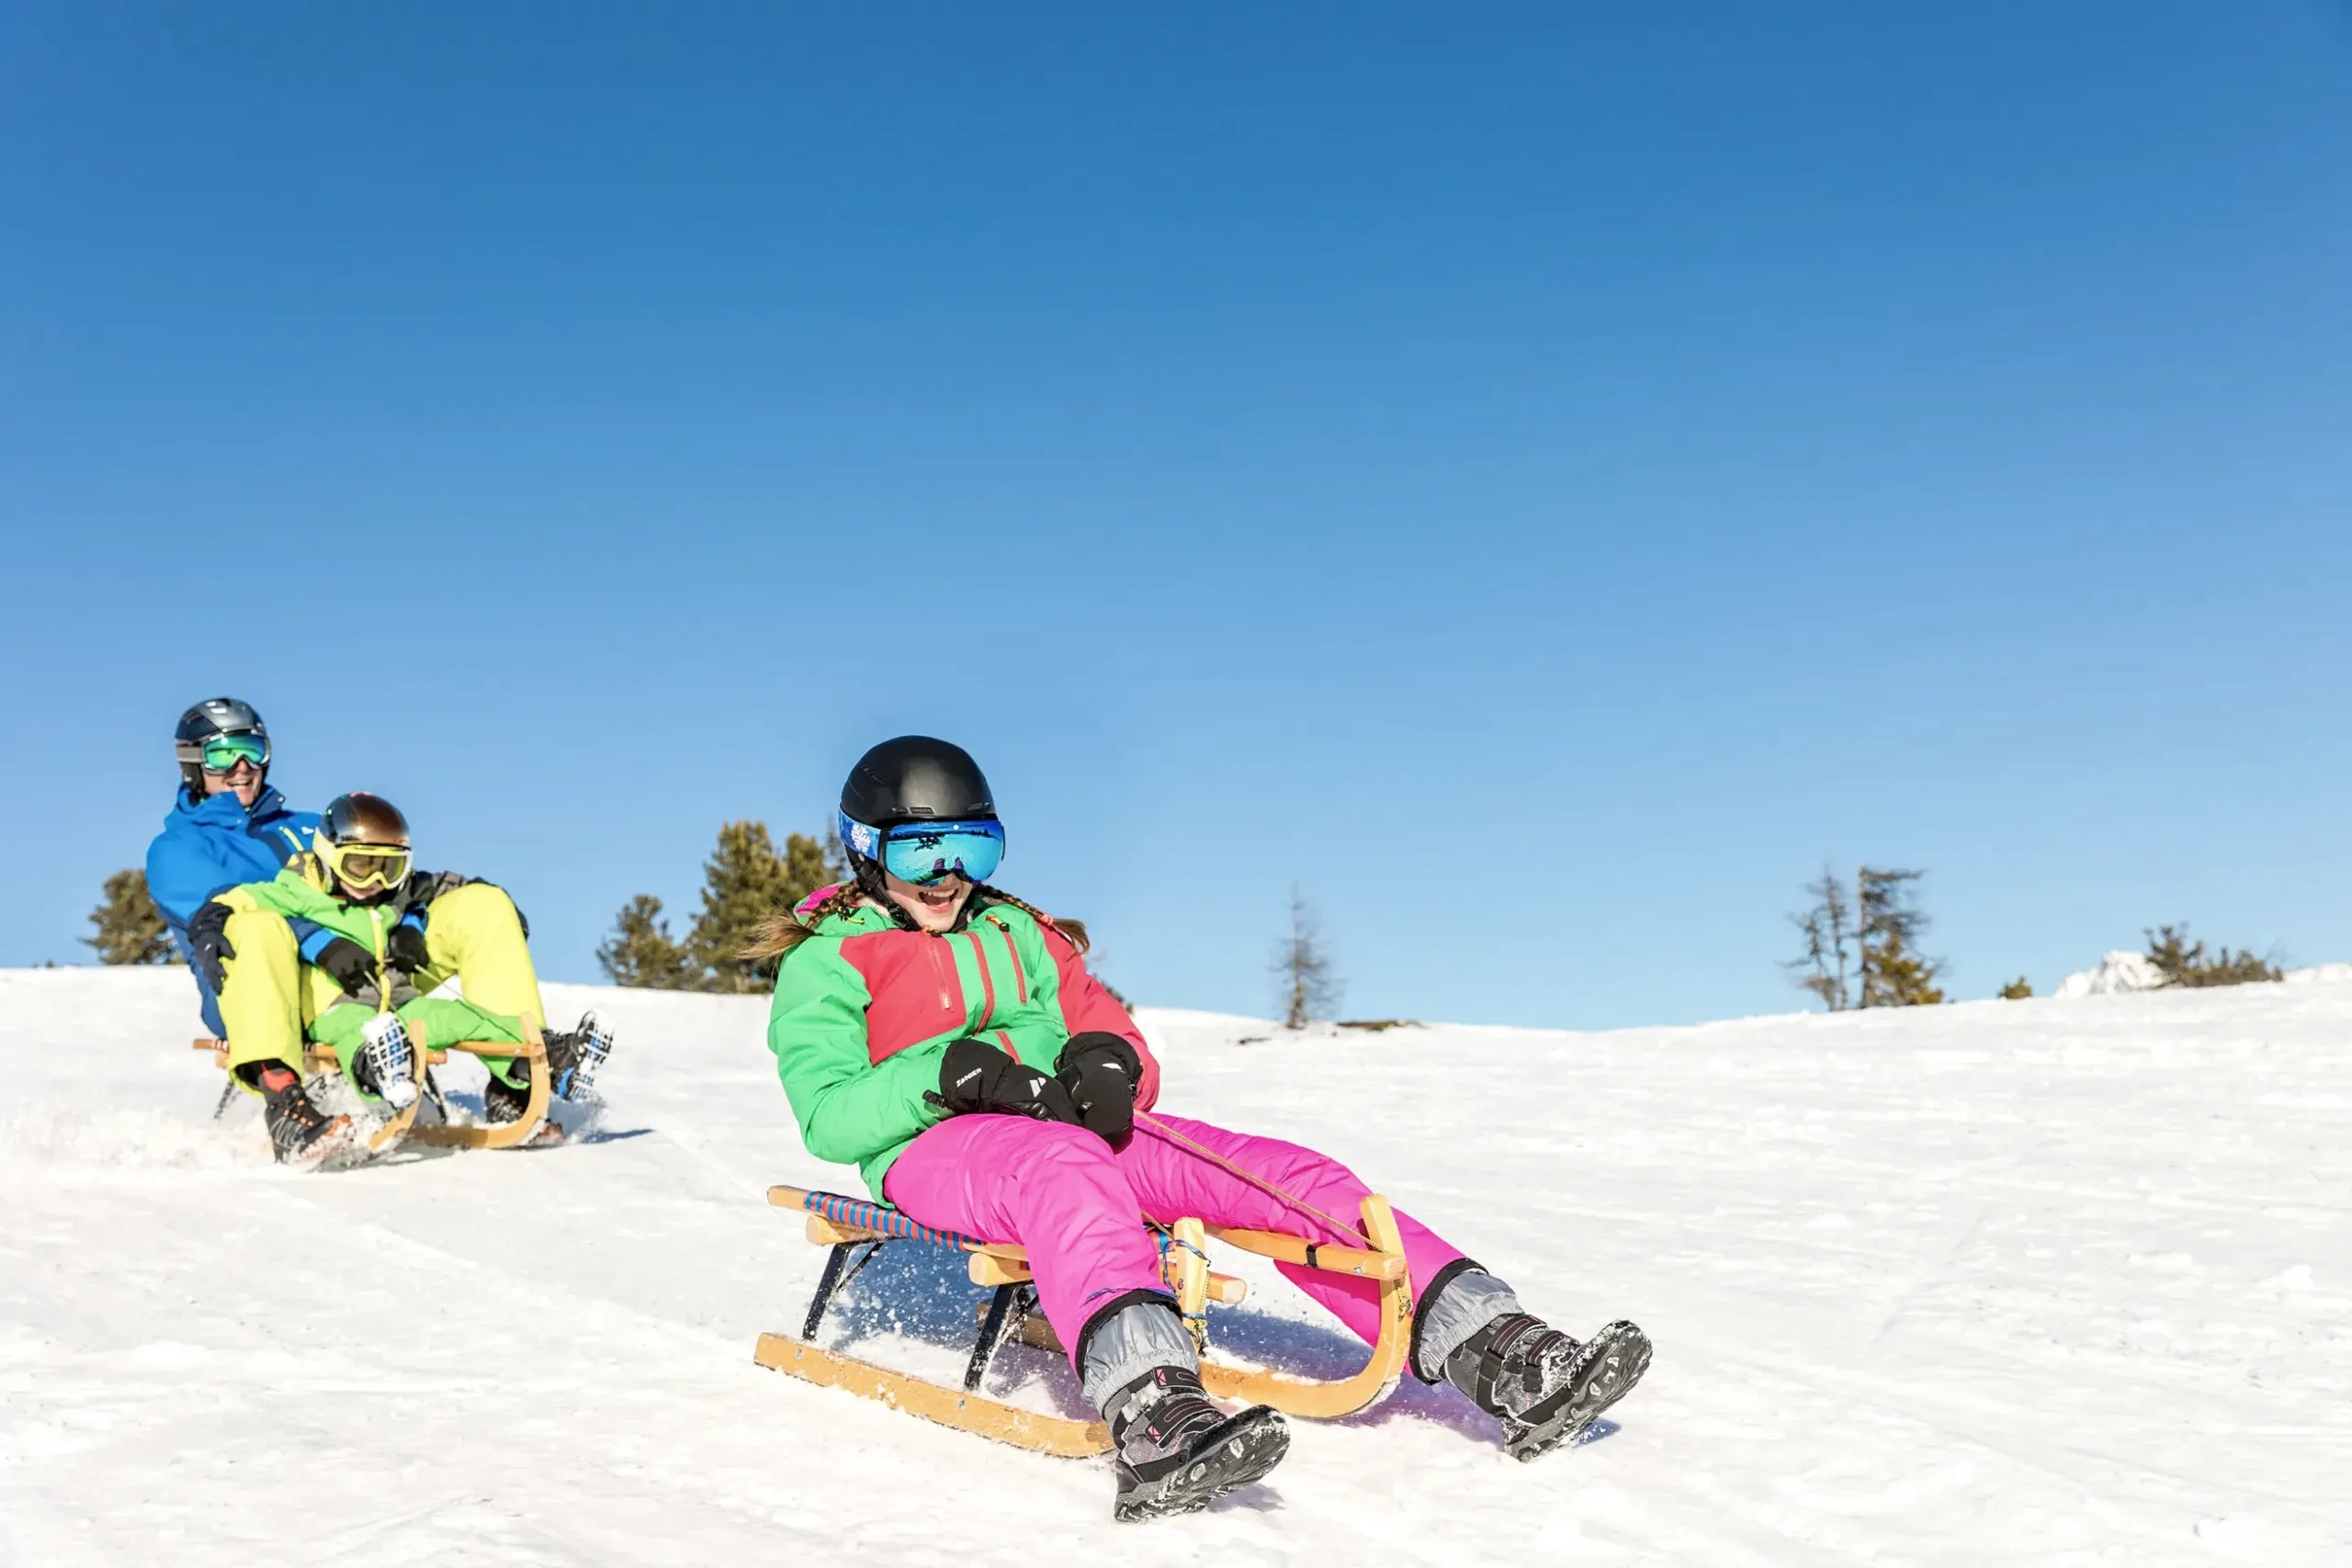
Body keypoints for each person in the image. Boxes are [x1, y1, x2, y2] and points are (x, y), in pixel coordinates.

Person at [758, 737, 1651, 1521]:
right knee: (1063, 1167)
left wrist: (1111, 1063)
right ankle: (1153, 1409)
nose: (949, 873)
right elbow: (828, 1115)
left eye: (972, 845)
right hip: (933, 1150)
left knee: (1263, 1170)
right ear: (866, 849)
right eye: (921, 850)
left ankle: (1494, 1345)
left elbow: (1108, 1027)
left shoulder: (1022, 934)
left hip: (1063, 1124)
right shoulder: (828, 959)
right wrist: (944, 1075)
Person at [188, 791, 614, 1168]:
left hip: (399, 1003)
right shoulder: (293, 891)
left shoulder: (395, 893)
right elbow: (230, 903)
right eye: (360, 866)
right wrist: (217, 925)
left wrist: (424, 919)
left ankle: (544, 1063)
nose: (374, 881)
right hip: (331, 1011)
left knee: (457, 1017)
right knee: (360, 1032)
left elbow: (445, 886)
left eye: (389, 869)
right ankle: (360, 1082)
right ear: (328, 856)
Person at [145, 698, 320, 1036]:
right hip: (249, 993)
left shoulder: (311, 827)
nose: (242, 767)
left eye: (252, 750)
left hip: (348, 973)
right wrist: (326, 941)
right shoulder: (177, 848)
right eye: (222, 755)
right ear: (193, 764)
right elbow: (233, 917)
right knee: (256, 925)